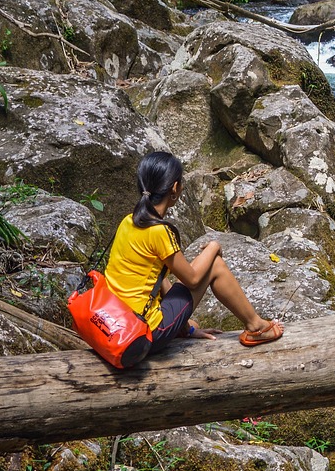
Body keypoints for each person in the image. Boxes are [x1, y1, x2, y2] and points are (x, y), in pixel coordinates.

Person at [104, 151, 284, 353]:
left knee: (195, 290)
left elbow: (156, 278)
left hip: (115, 323)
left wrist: (185, 328)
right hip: (145, 334)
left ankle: (191, 328)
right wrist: (215, 246)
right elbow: (193, 279)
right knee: (214, 265)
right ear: (174, 188)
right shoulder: (159, 232)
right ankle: (256, 327)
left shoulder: (129, 221)